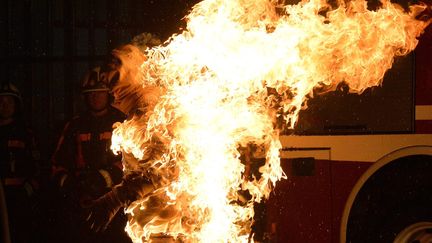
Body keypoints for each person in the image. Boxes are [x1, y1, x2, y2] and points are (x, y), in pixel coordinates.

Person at [50, 67, 129, 243]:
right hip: (80, 201)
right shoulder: (75, 125)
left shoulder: (122, 122)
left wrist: (103, 179)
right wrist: (72, 185)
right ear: (84, 97)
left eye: (100, 93)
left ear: (108, 94)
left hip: (114, 202)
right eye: (90, 93)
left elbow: (131, 162)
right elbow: (57, 164)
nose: (95, 97)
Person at [0, 82, 40, 243]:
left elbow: (38, 168)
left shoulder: (25, 132)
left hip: (18, 200)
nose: (4, 105)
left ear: (17, 105)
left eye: (9, 101)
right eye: (1, 101)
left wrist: (25, 192)